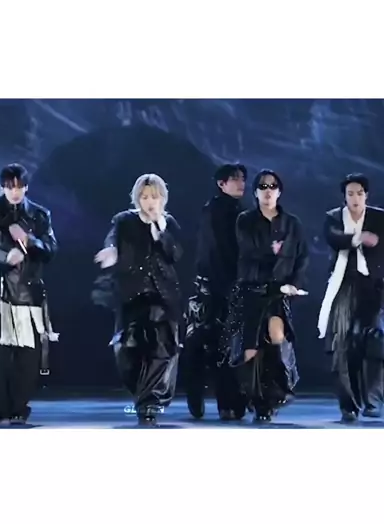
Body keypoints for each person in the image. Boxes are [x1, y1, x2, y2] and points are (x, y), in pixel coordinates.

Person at [94, 173, 183, 427]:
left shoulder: (168, 223)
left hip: (162, 295)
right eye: (144, 197)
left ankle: (149, 404)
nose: (149, 202)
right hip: (131, 295)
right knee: (126, 349)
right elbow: (112, 238)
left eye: (154, 197)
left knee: (161, 347)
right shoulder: (124, 220)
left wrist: (160, 231)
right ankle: (144, 395)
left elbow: (176, 254)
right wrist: (111, 251)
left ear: (162, 198)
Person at [220, 169, 308, 423]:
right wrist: (273, 250)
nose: (268, 191)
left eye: (272, 186)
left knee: (277, 335)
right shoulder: (245, 220)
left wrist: (294, 284)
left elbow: (302, 257)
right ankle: (255, 400)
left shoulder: (292, 223)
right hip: (251, 290)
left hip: (278, 292)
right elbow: (248, 251)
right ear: (256, 192)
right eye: (263, 187)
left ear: (279, 191)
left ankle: (277, 393)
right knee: (249, 350)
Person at [0, 163, 58, 424]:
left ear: (26, 187)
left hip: (28, 292)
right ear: (2, 187)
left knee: (28, 357)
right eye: (10, 187)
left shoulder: (39, 214)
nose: (15, 192)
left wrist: (29, 240)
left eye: (19, 187)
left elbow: (51, 248)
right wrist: (6, 254)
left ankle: (19, 407)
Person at [318, 173, 384, 422]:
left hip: (375, 285)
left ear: (366, 195)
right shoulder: (334, 217)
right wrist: (358, 238)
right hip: (344, 284)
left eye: (359, 193)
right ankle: (348, 404)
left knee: (374, 340)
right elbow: (334, 238)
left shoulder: (379, 218)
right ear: (344, 197)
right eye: (350, 194)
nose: (355, 198)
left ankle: (372, 400)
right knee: (340, 342)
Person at [185, 163, 247, 420]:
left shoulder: (236, 210)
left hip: (226, 287)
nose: (240, 183)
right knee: (214, 345)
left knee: (222, 346)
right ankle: (218, 401)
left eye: (242, 178)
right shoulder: (216, 211)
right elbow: (217, 252)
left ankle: (226, 402)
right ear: (222, 184)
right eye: (235, 179)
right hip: (216, 289)